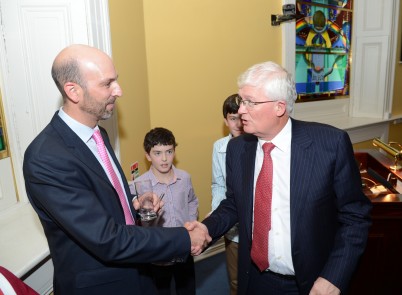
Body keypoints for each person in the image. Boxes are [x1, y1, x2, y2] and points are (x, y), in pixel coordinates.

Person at [22, 44, 210, 295]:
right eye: (107, 84)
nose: (118, 91)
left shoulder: (98, 134)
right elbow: (106, 239)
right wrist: (184, 239)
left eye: (116, 81)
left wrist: (134, 201)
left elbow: (102, 196)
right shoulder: (46, 158)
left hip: (137, 271)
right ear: (73, 91)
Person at [186, 61, 372, 295]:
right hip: (254, 278)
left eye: (250, 102)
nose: (241, 109)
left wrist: (333, 277)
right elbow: (235, 203)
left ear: (279, 107)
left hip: (312, 281)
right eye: (242, 101)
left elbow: (355, 218)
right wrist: (206, 228)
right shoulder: (237, 149)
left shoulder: (330, 145)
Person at [134, 127, 199, 295]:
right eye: (157, 153)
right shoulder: (140, 185)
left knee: (187, 290)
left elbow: (192, 201)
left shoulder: (184, 178)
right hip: (157, 253)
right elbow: (136, 220)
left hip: (183, 248)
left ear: (174, 152)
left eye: (169, 151)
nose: (164, 159)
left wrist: (191, 224)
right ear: (148, 156)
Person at [211, 94, 243, 295]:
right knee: (236, 281)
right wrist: (217, 213)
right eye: (232, 118)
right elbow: (218, 184)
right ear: (226, 121)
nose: (238, 123)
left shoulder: (259, 144)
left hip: (258, 228)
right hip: (233, 227)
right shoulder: (219, 147)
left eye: (241, 117)